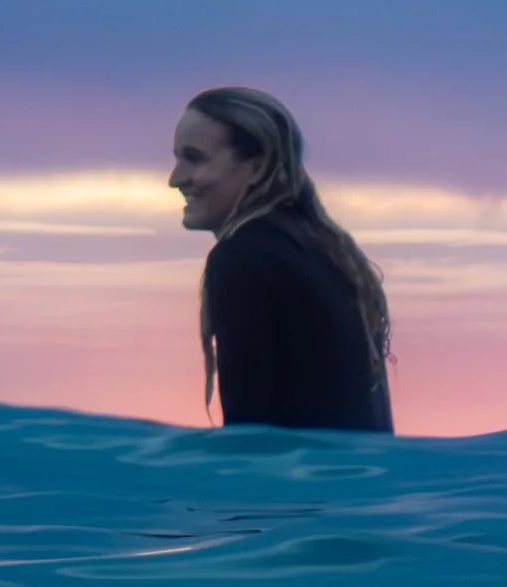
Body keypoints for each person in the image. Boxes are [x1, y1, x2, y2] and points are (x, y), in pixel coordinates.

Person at [168, 87, 394, 432]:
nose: (176, 179)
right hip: (360, 479)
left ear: (257, 168)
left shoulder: (242, 259)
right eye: (178, 159)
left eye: (195, 158)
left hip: (297, 482)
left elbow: (250, 431)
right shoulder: (331, 253)